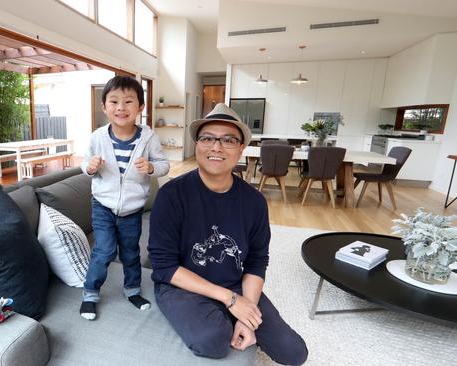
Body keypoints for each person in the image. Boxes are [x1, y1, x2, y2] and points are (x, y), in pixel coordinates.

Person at [148, 103, 308, 365]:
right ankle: (217, 316)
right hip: (182, 285)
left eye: (228, 140)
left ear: (241, 148)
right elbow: (164, 267)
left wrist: (246, 312)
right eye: (207, 138)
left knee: (294, 352)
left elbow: (257, 260)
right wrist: (231, 300)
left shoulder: (254, 201)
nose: (216, 147)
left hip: (232, 280)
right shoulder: (172, 195)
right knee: (214, 340)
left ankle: (223, 314)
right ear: (197, 144)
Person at [79, 75, 169, 320]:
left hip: (132, 209)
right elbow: (84, 164)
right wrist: (91, 167)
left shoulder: (148, 138)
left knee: (130, 252)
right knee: (105, 251)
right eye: (114, 102)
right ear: (104, 107)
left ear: (140, 107)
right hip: (103, 206)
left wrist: (151, 167)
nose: (121, 107)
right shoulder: (97, 137)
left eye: (129, 102)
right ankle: (90, 293)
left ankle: (132, 290)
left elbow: (164, 165)